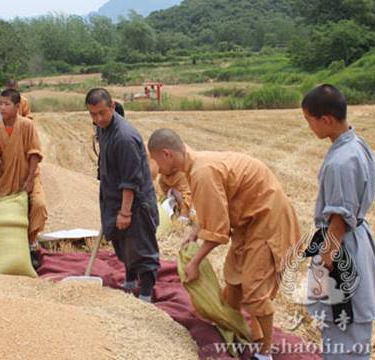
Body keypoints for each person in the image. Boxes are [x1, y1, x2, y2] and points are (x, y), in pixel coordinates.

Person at [148, 128, 300, 360]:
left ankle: (265, 352)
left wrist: (195, 262)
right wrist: (196, 232)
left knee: (254, 289)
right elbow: (214, 207)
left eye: (157, 160)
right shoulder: (193, 166)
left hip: (268, 221)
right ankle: (243, 329)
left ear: (167, 154)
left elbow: (219, 232)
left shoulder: (201, 172)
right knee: (234, 280)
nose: (157, 168)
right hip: (248, 223)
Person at [301, 84, 375, 359]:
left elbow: (338, 220)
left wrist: (327, 265)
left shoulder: (341, 161)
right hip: (355, 240)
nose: (309, 127)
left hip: (341, 249)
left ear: (325, 119)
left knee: (343, 326)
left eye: (309, 121)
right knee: (349, 333)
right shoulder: (356, 143)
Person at [86, 88, 160, 303]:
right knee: (123, 243)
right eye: (93, 114)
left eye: (102, 113)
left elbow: (131, 181)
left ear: (112, 107)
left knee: (141, 247)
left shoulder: (125, 138)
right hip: (114, 195)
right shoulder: (102, 128)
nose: (98, 119)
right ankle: (129, 283)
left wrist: (125, 212)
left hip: (135, 203)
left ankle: (146, 295)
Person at [0, 89, 47, 244]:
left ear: (17, 106)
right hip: (6, 179)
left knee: (38, 205)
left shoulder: (27, 125)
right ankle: (11, 244)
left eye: (7, 104)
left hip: (29, 175)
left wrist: (30, 179)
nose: (2, 108)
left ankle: (30, 241)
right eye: (0, 104)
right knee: (3, 213)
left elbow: (34, 153)